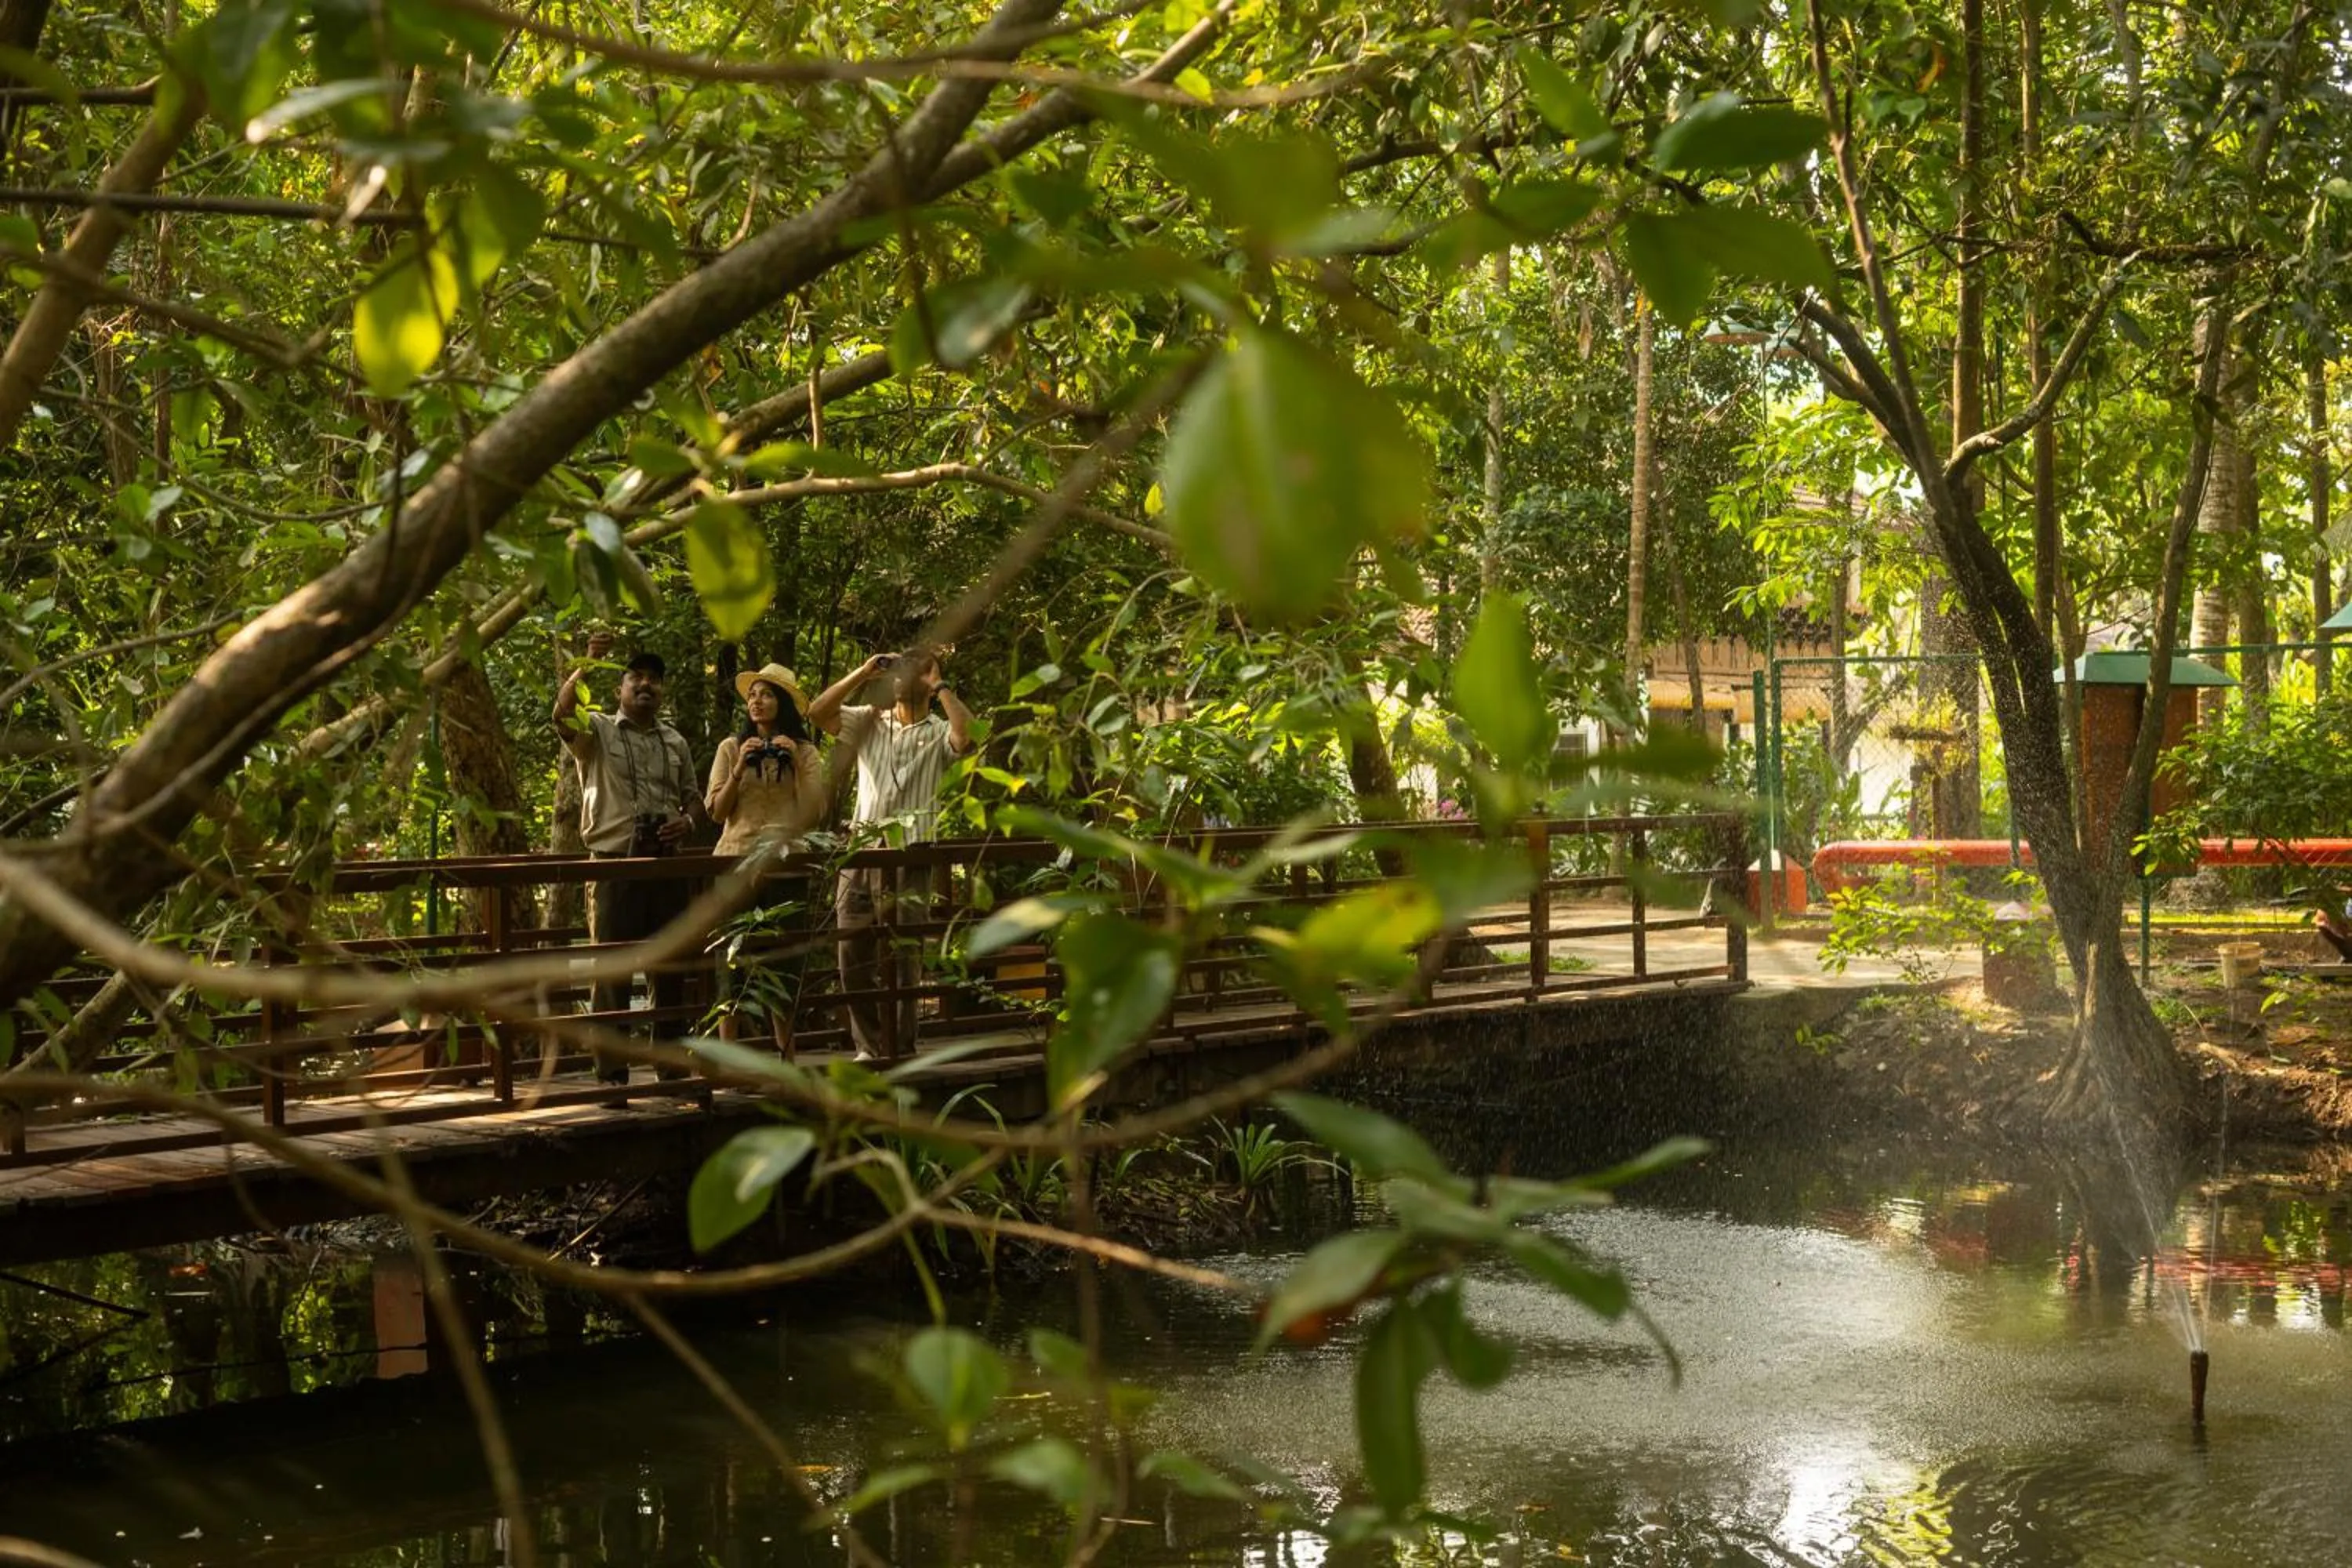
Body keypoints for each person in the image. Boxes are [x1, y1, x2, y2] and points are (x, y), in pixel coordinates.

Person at [806, 648, 975, 1062]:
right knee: (852, 951)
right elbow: (816, 712)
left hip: (911, 851)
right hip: (862, 849)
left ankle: (900, 1045)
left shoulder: (937, 730)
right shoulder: (869, 721)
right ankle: (869, 1045)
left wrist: (941, 685)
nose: (900, 678)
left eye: (911, 672)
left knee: (905, 953)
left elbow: (966, 736)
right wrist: (864, 672)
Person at [553, 632, 703, 1087]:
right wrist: (588, 663)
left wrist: (688, 823)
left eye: (654, 679)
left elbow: (695, 799)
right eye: (636, 677)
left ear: (663, 690)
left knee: (670, 969)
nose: (646, 685)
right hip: (614, 863)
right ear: (620, 688)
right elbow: (561, 714)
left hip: (666, 864)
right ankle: (612, 1075)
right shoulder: (596, 730)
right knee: (612, 973)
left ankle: (670, 1068)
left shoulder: (674, 742)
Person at [706, 662, 825, 1055]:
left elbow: (815, 812)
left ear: (784, 703)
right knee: (731, 958)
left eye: (767, 694)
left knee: (783, 963)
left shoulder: (806, 752)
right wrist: (740, 767)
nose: (757, 701)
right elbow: (717, 812)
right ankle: (728, 1057)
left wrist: (795, 765)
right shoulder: (729, 747)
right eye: (753, 695)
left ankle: (785, 1055)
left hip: (785, 863)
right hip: (734, 860)